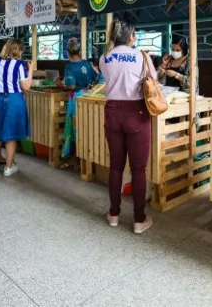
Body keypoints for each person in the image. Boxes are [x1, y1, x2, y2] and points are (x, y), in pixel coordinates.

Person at [99, 18, 157, 235]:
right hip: (136, 112)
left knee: (115, 166)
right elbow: (153, 82)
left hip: (112, 111)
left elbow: (109, 79)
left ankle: (113, 214)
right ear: (131, 35)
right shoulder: (141, 56)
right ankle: (139, 219)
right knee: (138, 169)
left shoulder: (105, 57)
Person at [0, 39, 32, 177]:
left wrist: (0, 80)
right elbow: (26, 86)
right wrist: (31, 70)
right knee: (11, 136)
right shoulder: (19, 65)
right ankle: (9, 167)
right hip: (14, 100)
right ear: (18, 50)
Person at [58, 37, 100, 160]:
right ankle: (87, 153)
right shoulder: (87, 63)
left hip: (76, 98)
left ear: (68, 52)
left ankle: (78, 154)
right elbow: (97, 78)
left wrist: (60, 84)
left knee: (75, 125)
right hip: (88, 96)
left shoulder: (69, 67)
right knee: (86, 124)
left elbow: (70, 85)